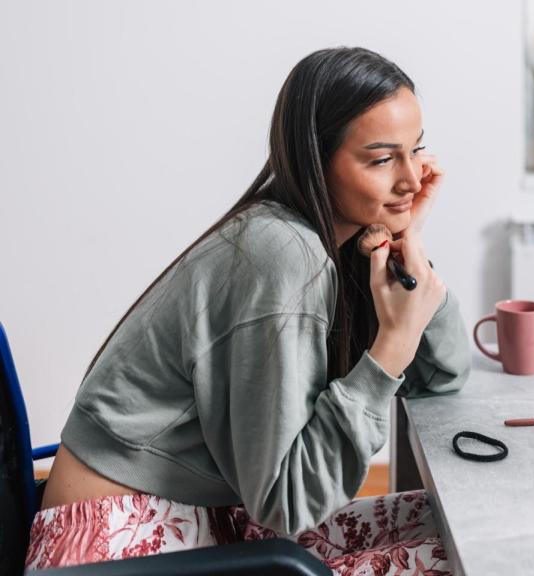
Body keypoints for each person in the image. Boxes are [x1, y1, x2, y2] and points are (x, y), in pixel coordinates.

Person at [26, 47, 469, 576]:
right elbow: (287, 505)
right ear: (314, 159)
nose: (413, 180)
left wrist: (407, 240)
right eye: (380, 159)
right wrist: (390, 347)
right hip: (117, 547)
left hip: (195, 520)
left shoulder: (333, 241)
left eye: (415, 151)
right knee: (460, 562)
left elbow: (444, 374)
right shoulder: (282, 254)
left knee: (457, 529)